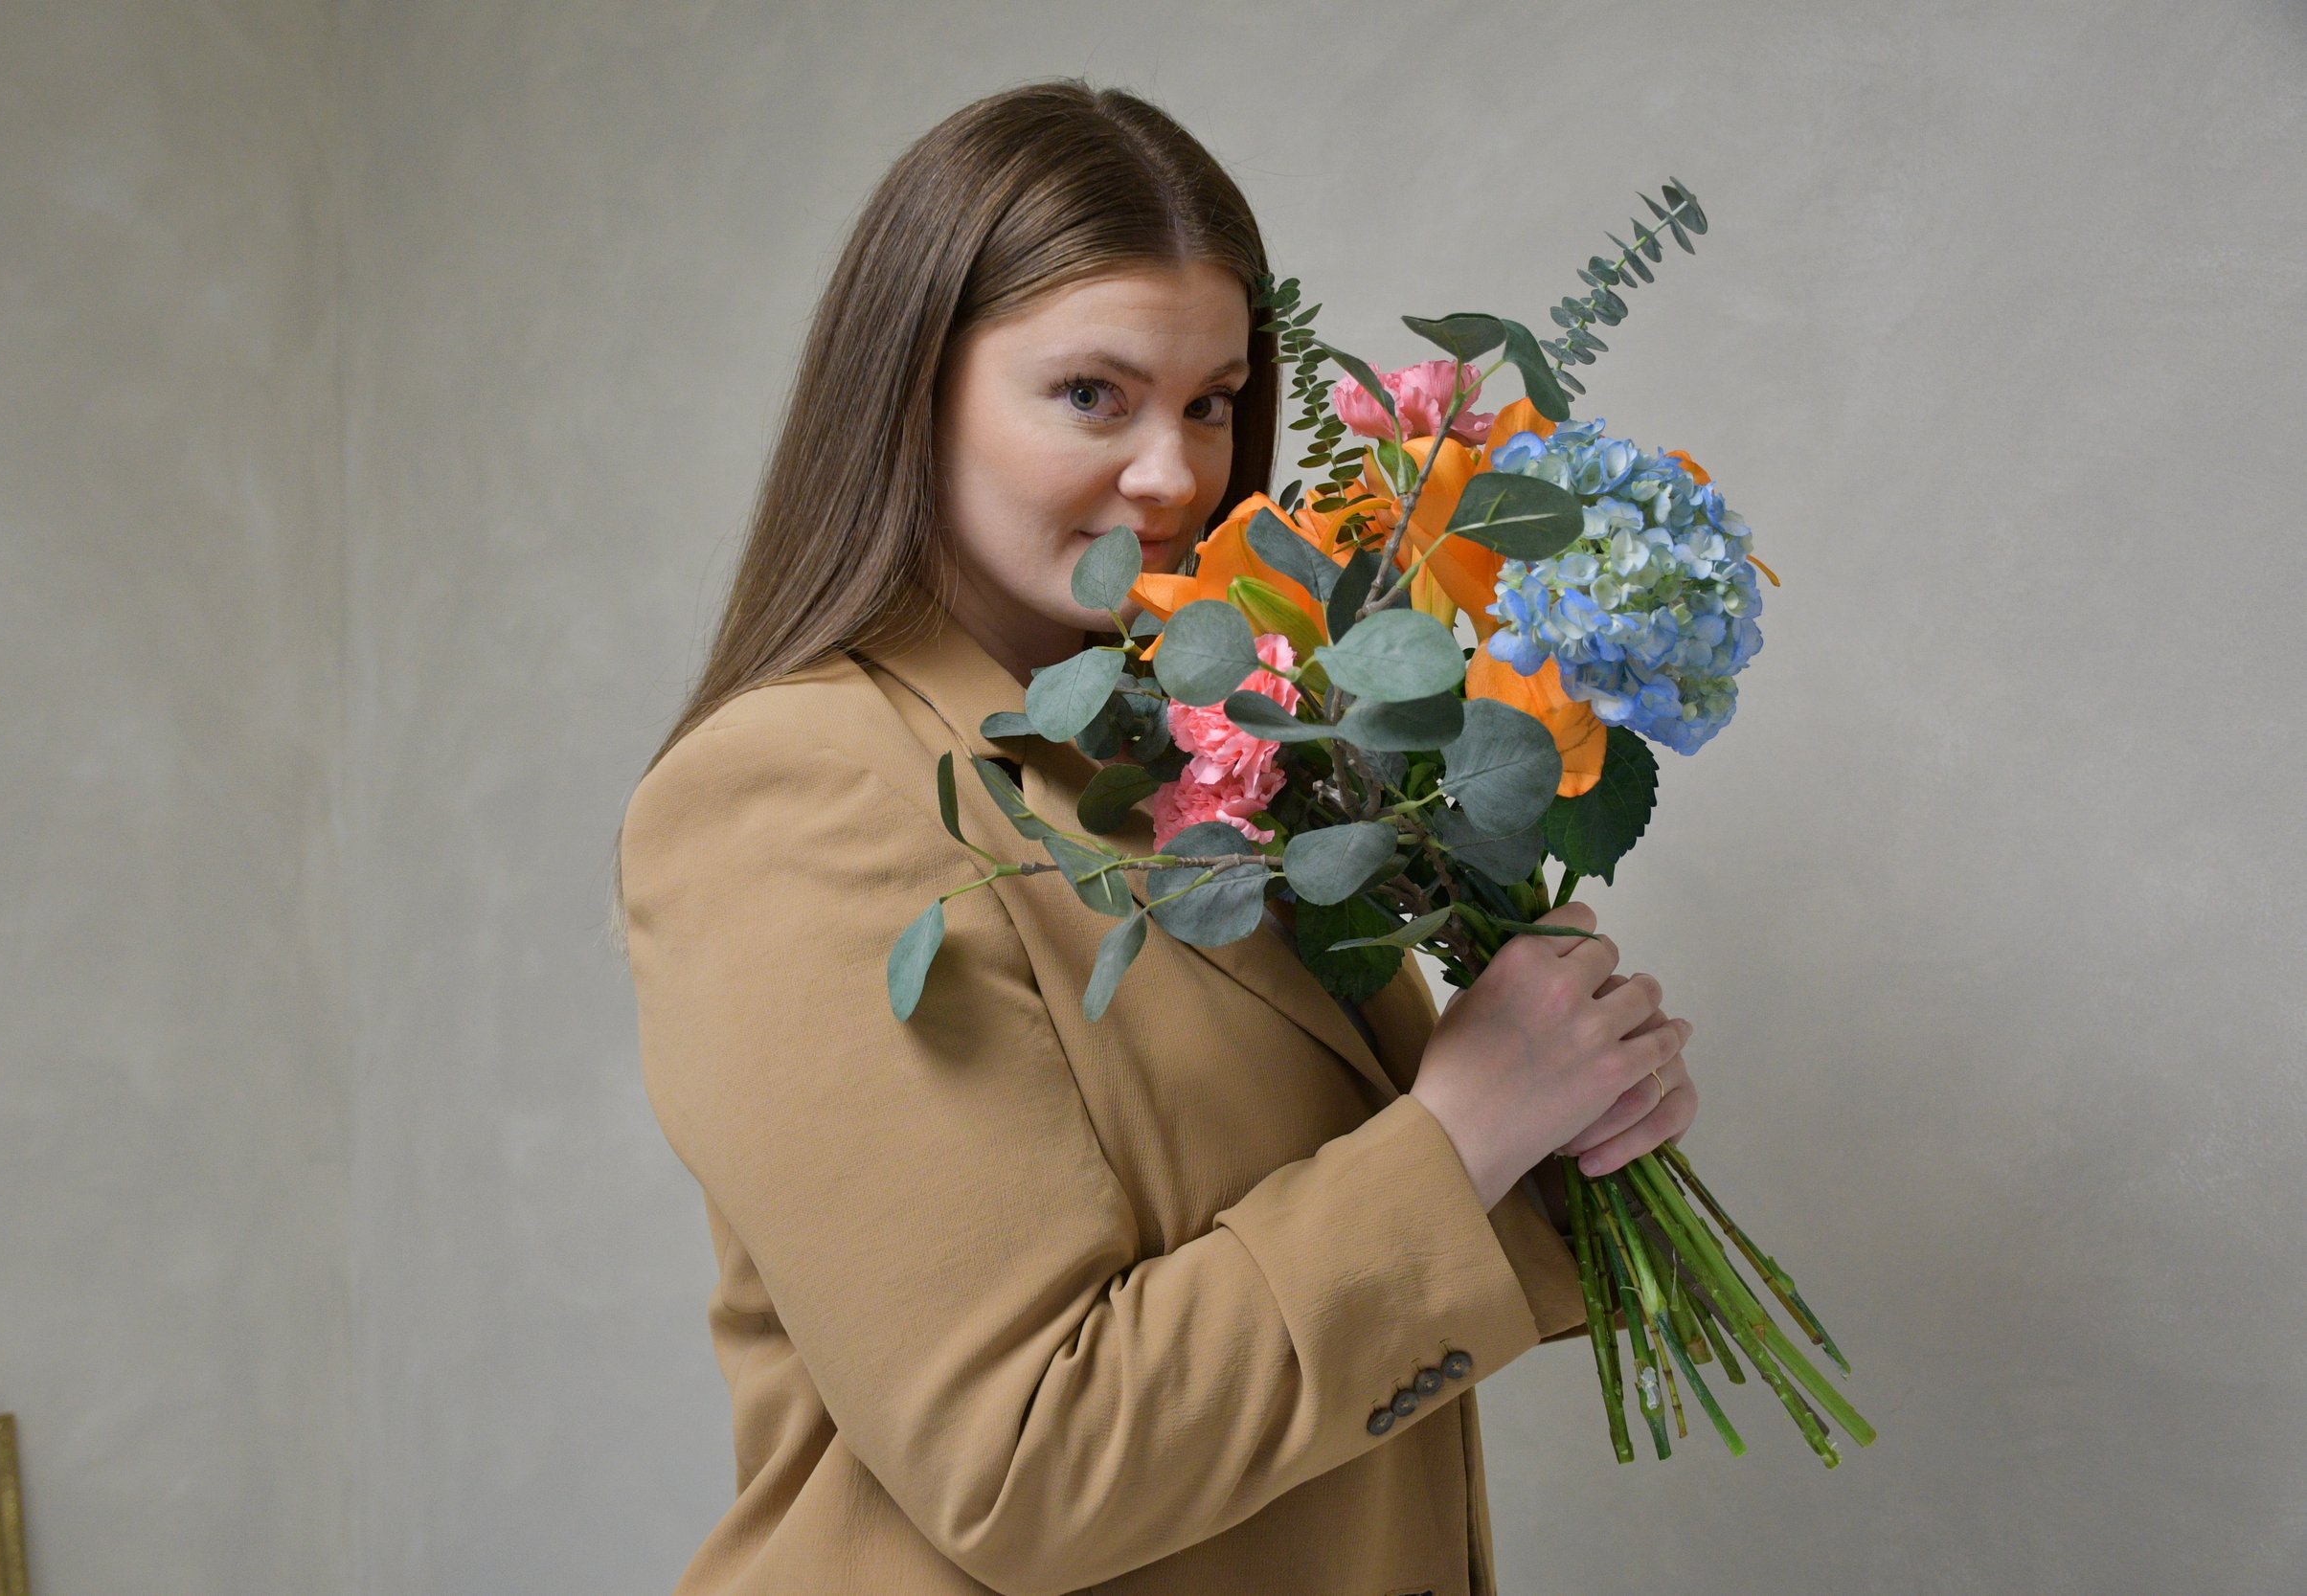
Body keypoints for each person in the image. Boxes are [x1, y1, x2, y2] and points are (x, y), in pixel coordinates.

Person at [617, 78, 1698, 1596]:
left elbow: (1309, 1217)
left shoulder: (1202, 740)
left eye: (1210, 402)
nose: (1176, 476)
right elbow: (1023, 1462)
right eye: (1092, 395)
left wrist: (1556, 1123)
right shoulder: (799, 793)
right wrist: (1462, 1138)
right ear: (910, 390)